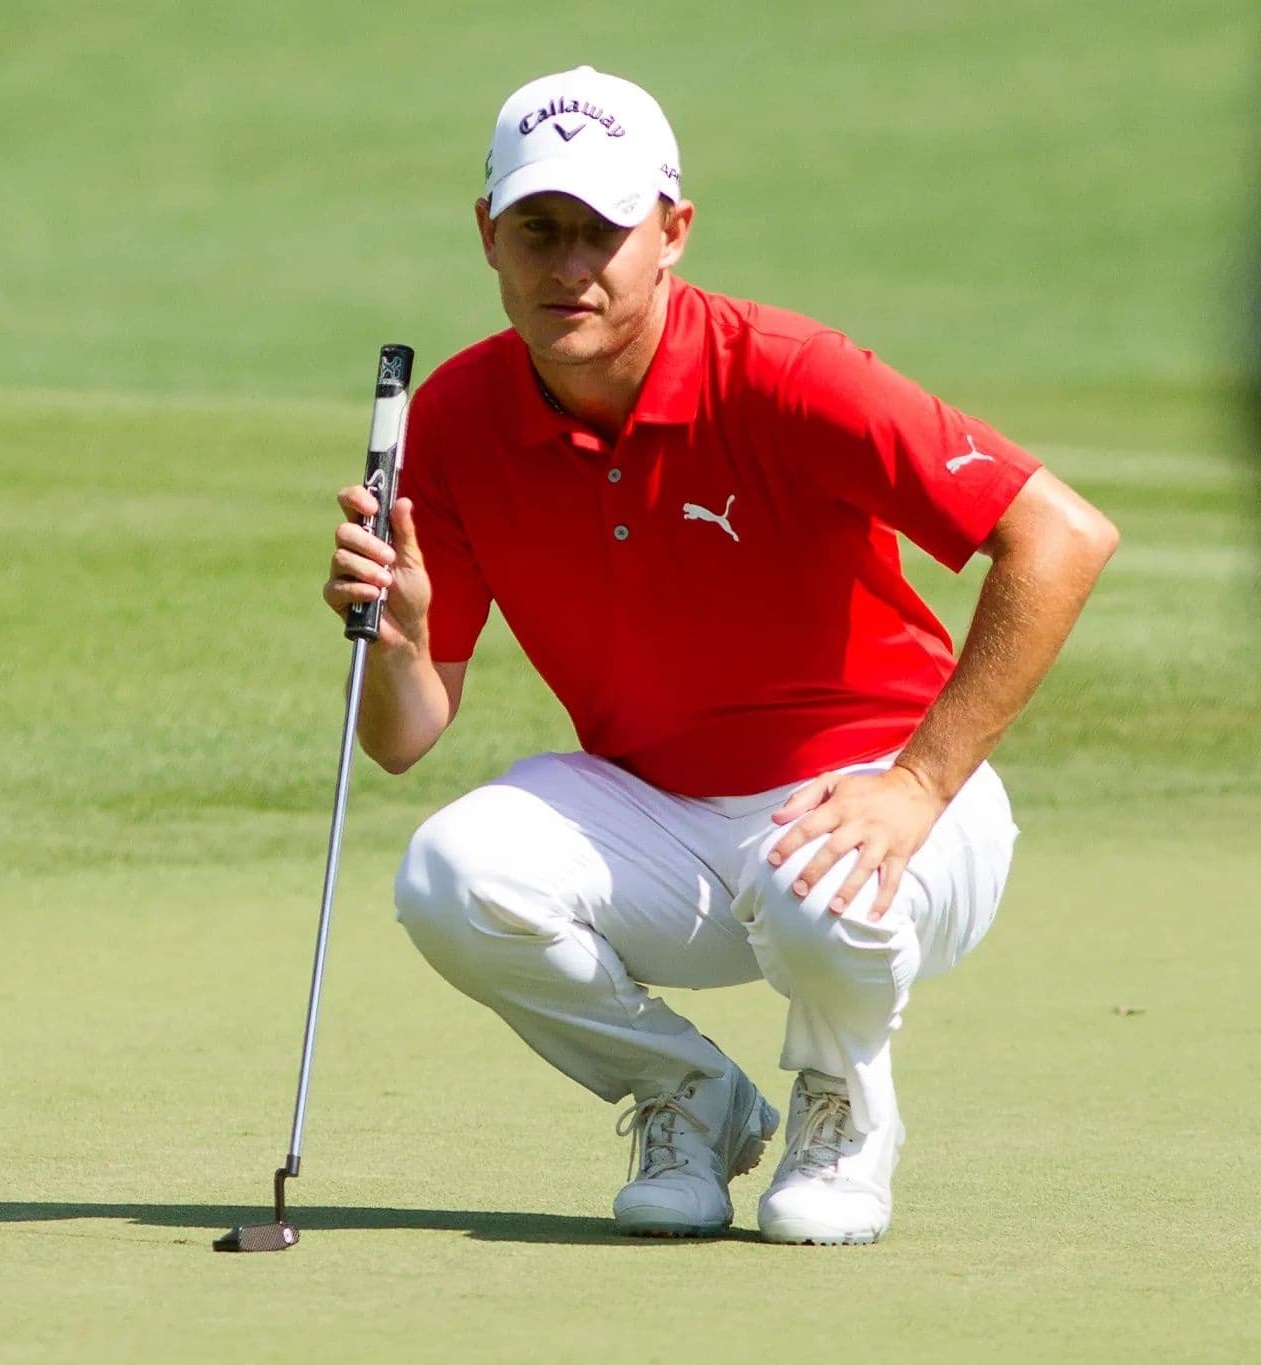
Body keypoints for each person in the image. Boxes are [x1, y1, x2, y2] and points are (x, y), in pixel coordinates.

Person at [322, 65, 1118, 1245]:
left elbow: (1059, 535)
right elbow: (404, 741)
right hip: (668, 821)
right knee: (450, 873)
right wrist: (391, 642)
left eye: (601, 230)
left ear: (671, 232)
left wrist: (916, 782)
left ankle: (843, 1104)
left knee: (817, 888)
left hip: (893, 807)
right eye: (536, 230)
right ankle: (686, 1095)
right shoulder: (450, 418)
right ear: (487, 235)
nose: (567, 265)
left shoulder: (787, 371)